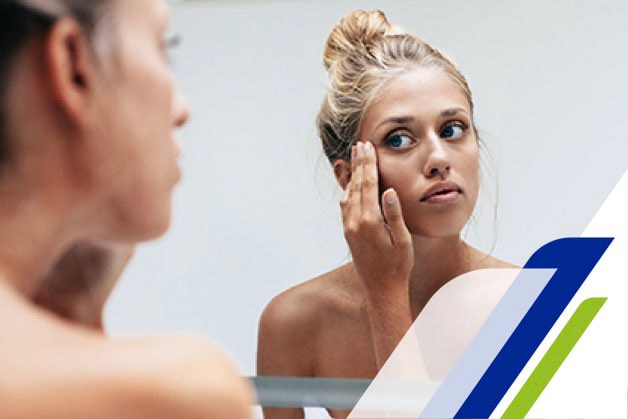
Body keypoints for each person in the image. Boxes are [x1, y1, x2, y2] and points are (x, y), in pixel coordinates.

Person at [257, 9, 517, 419]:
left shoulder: (533, 303)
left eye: (452, 129)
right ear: (348, 176)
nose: (437, 158)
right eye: (399, 139)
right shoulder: (293, 323)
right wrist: (385, 292)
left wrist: (385, 297)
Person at [0, 0, 253, 417]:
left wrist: (75, 312)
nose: (182, 110)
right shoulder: (182, 392)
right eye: (163, 46)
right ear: (74, 65)